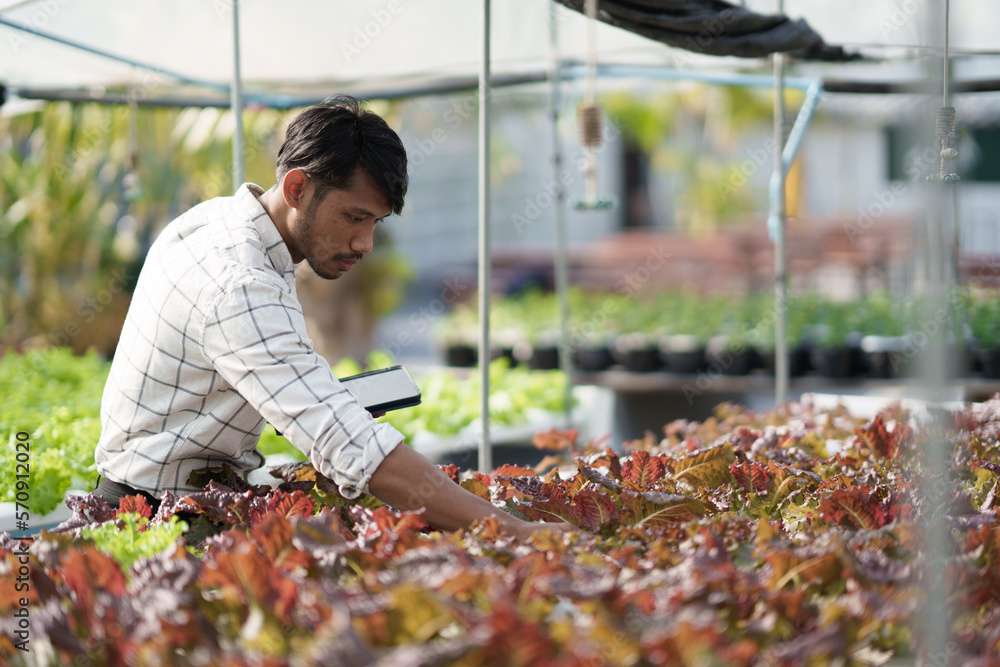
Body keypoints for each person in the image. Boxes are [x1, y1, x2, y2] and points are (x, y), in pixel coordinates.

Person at [93, 95, 565, 542]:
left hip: (167, 501)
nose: (365, 244)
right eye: (354, 217)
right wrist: (512, 529)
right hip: (156, 520)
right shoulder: (240, 283)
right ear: (298, 187)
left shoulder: (216, 220)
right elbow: (348, 443)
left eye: (375, 223)